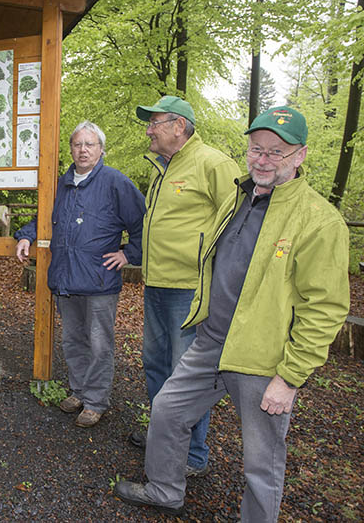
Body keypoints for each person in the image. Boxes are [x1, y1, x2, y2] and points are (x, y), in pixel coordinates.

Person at [114, 106, 350, 521]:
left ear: (300, 155)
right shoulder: (238, 197)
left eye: (276, 152)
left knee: (262, 463)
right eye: (257, 149)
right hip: (212, 339)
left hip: (262, 356)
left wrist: (290, 376)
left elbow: (325, 308)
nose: (263, 159)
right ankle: (165, 489)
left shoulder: (318, 220)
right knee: (168, 409)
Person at [131, 95, 242, 475]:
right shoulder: (162, 167)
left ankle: (192, 456)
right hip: (157, 284)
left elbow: (240, 224)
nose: (148, 130)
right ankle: (163, 436)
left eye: (154, 123)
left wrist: (223, 278)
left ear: (178, 126)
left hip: (190, 290)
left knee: (186, 376)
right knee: (155, 365)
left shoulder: (212, 163)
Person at [15, 121, 145, 428]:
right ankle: (80, 391)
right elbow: (43, 217)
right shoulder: (60, 184)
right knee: (73, 340)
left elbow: (143, 222)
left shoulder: (115, 183)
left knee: (99, 344)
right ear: (70, 149)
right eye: (77, 144)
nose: (83, 150)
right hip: (66, 278)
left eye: (90, 144)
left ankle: (96, 401)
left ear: (101, 149)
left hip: (99, 281)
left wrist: (129, 253)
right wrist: (25, 236)